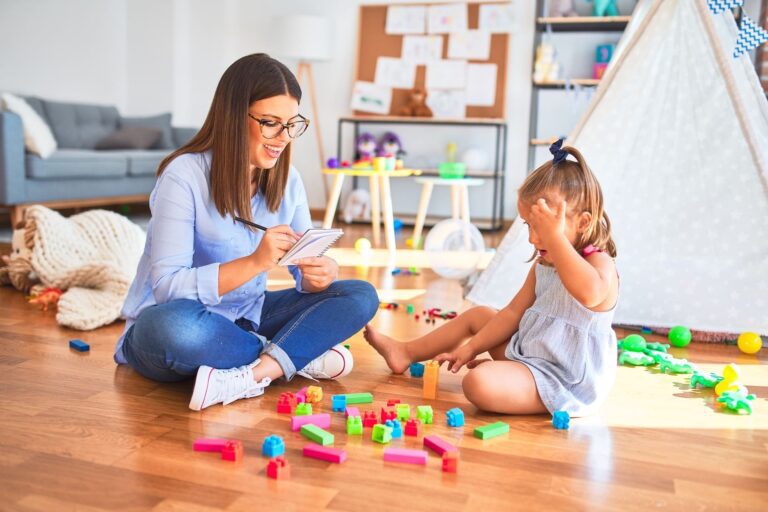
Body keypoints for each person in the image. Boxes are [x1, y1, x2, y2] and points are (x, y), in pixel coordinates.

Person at [114, 54, 379, 411]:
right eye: (270, 123)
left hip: (246, 318)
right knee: (174, 329)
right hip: (176, 325)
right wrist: (256, 262)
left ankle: (258, 371)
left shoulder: (288, 180)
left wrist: (319, 275)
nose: (283, 138)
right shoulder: (183, 176)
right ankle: (294, 355)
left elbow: (304, 271)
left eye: (292, 124)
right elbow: (167, 288)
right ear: (234, 116)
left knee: (359, 294)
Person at [365, 140, 619, 416]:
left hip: (563, 380)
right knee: (480, 315)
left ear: (583, 223)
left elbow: (589, 293)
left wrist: (555, 238)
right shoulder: (543, 265)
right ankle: (405, 352)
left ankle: (507, 378)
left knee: (477, 382)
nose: (534, 239)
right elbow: (511, 314)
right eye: (529, 226)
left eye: (544, 229)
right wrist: (472, 348)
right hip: (529, 353)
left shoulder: (600, 264)